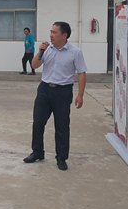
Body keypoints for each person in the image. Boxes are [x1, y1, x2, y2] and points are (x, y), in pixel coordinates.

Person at [23, 22, 87, 171]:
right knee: (38, 122)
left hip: (63, 92)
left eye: (55, 32)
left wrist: (80, 95)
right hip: (44, 90)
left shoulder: (75, 52)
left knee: (62, 126)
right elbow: (34, 65)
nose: (51, 35)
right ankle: (37, 152)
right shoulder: (47, 49)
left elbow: (81, 73)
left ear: (64, 35)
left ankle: (61, 158)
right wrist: (40, 51)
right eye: (51, 31)